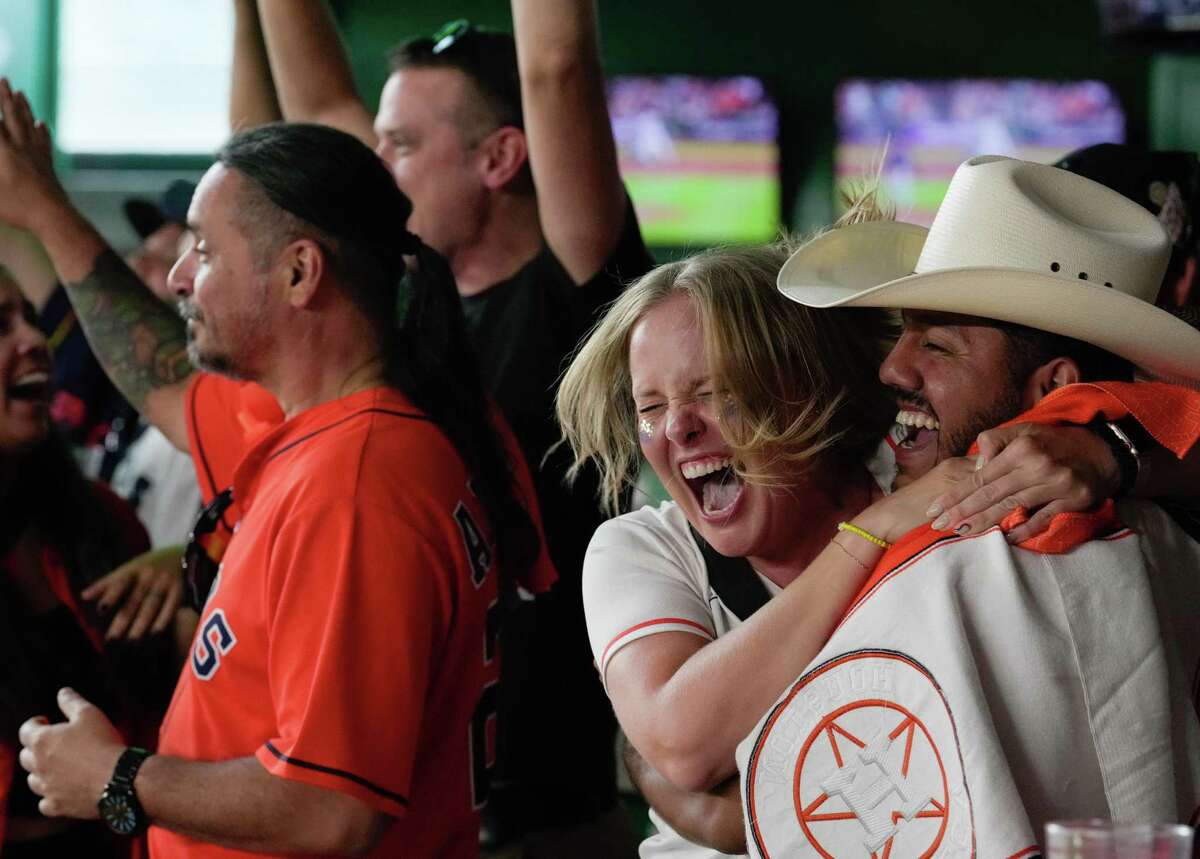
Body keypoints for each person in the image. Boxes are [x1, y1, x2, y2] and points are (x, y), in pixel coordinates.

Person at [557, 174, 1200, 857]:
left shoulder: (985, 517)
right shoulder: (652, 544)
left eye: (716, 391)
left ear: (797, 385)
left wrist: (1113, 450)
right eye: (649, 407)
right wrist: (877, 526)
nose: (677, 429)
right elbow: (681, 740)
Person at [0, 80, 554, 857]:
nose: (179, 277)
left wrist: (117, 777)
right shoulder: (335, 433)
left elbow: (333, 809)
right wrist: (41, 210)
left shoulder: (357, 483)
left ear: (299, 273)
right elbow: (157, 374)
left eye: (204, 249)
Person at [245, 0, 653, 847]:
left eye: (399, 146)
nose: (375, 165)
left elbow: (557, 65)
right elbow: (320, 109)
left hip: (549, 823)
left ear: (501, 156)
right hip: (415, 816)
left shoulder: (572, 286)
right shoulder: (403, 309)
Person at [0, 264, 171, 857]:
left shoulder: (102, 520)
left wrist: (196, 569)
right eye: (0, 325)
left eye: (28, 316)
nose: (33, 340)